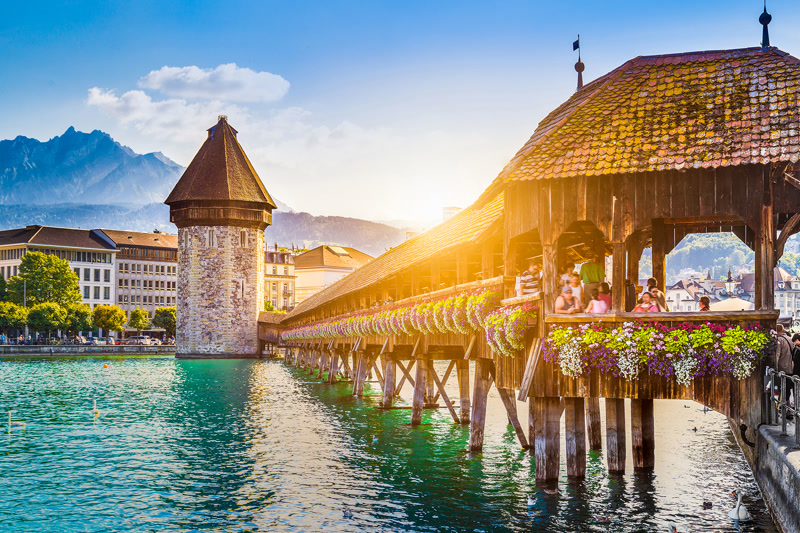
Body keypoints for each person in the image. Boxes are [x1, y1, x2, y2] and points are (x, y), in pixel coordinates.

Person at [776, 325, 794, 409]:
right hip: (791, 367)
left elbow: (778, 355)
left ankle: (784, 408)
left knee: (782, 388)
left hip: (782, 368)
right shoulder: (790, 339)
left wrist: (775, 367)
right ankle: (789, 408)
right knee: (788, 388)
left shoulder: (779, 340)